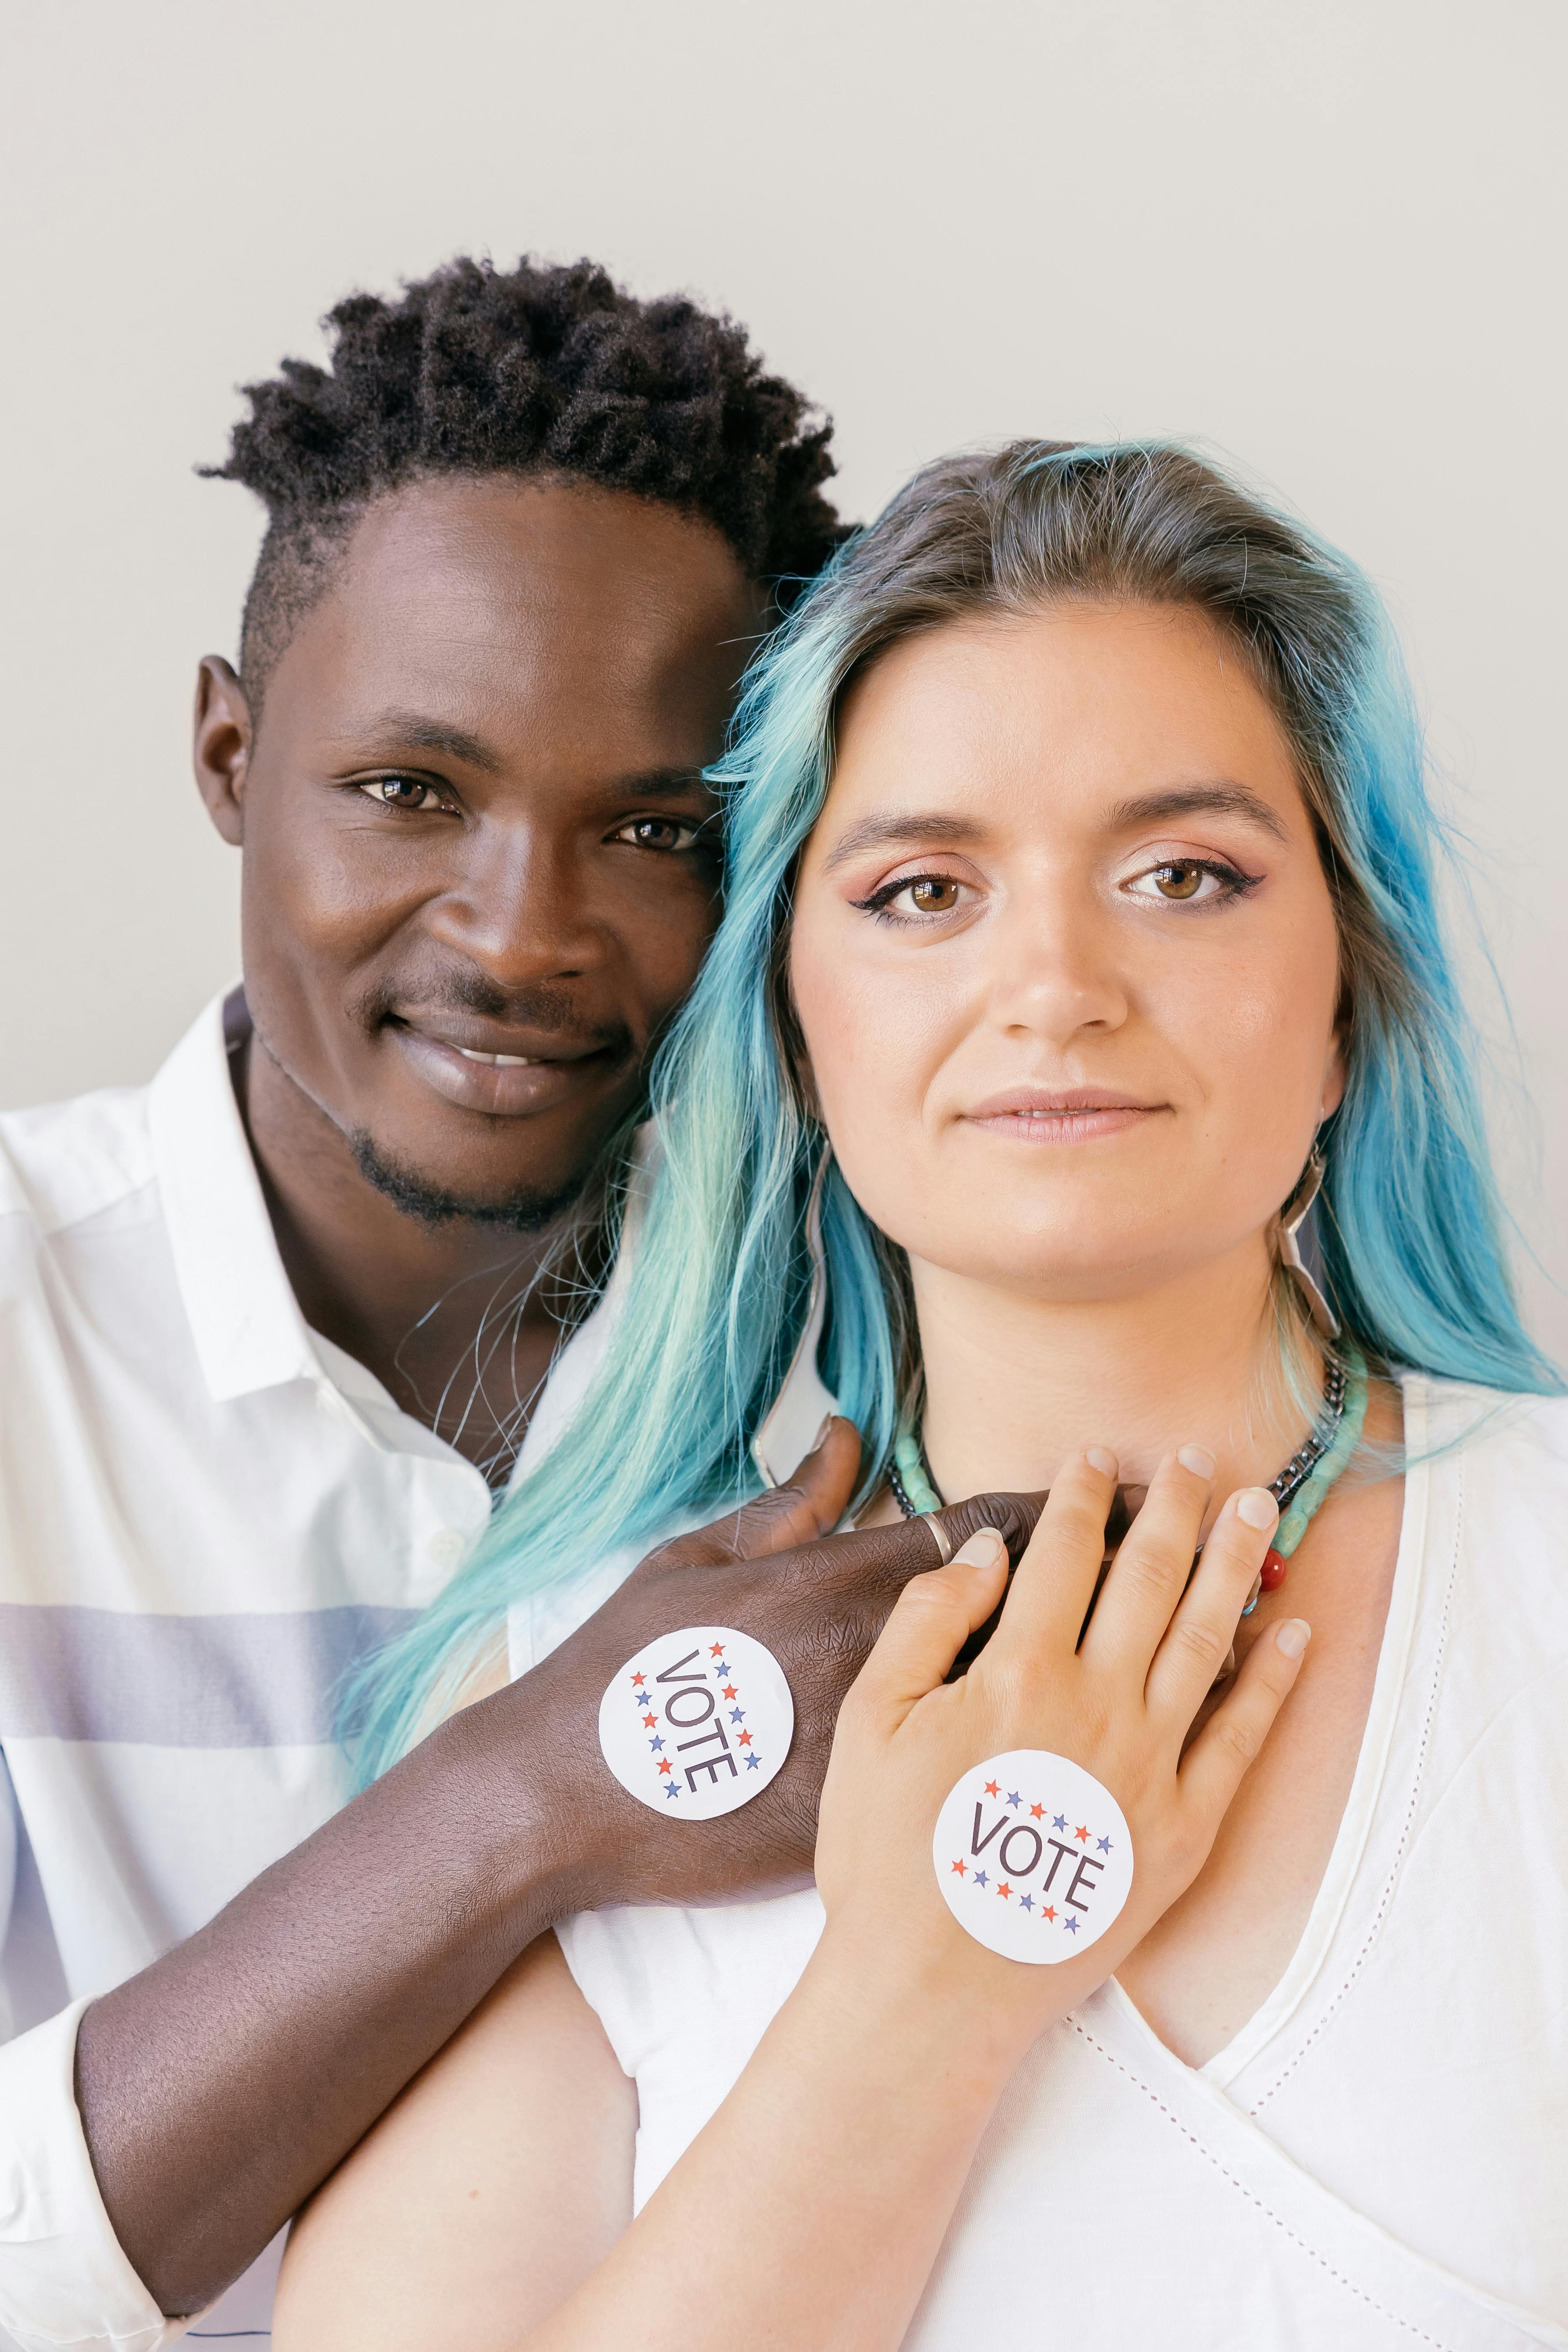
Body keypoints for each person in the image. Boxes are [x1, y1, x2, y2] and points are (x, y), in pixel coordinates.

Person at [276, 441, 1567, 2350]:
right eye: (920, 890)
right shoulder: (568, 1704)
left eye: (1182, 875)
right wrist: (927, 1991)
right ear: (792, 1026)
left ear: (1348, 999)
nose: (1051, 981)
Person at [0, 257, 1029, 2352]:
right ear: (226, 751)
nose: (520, 932)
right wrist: (534, 1796)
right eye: (410, 791)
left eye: (657, 828)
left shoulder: (906, 1340)